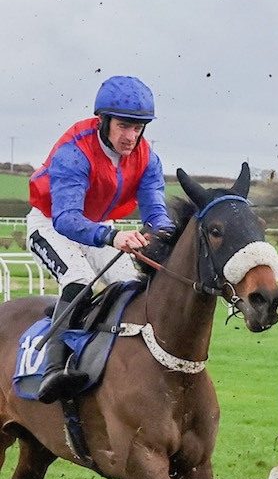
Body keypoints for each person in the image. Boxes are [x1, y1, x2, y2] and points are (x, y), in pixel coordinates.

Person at [24, 75, 174, 401]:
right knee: (80, 279)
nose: (131, 136)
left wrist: (165, 235)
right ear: (103, 121)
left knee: (135, 285)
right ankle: (53, 369)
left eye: (138, 128)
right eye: (124, 126)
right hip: (51, 224)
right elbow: (66, 218)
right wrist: (113, 236)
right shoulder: (75, 152)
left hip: (98, 227)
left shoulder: (147, 158)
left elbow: (155, 214)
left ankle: (118, 362)